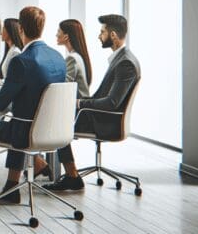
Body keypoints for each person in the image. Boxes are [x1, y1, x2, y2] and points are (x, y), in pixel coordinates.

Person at [0, 6, 66, 208]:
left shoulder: (22, 61)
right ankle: (11, 187)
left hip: (25, 131)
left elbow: (0, 104)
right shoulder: (57, 57)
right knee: (19, 118)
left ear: (20, 29)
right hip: (53, 130)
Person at [43, 14, 140, 192]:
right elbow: (102, 97)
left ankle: (70, 175)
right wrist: (80, 102)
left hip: (107, 121)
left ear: (112, 35)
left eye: (102, 32)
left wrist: (79, 104)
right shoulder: (121, 59)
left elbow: (111, 103)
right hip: (101, 116)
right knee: (58, 118)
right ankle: (66, 173)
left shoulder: (125, 63)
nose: (98, 35)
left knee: (56, 124)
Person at [55, 19, 93, 99]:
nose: (56, 35)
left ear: (66, 36)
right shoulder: (78, 56)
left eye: (58, 31)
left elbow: (63, 87)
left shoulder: (72, 58)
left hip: (78, 108)